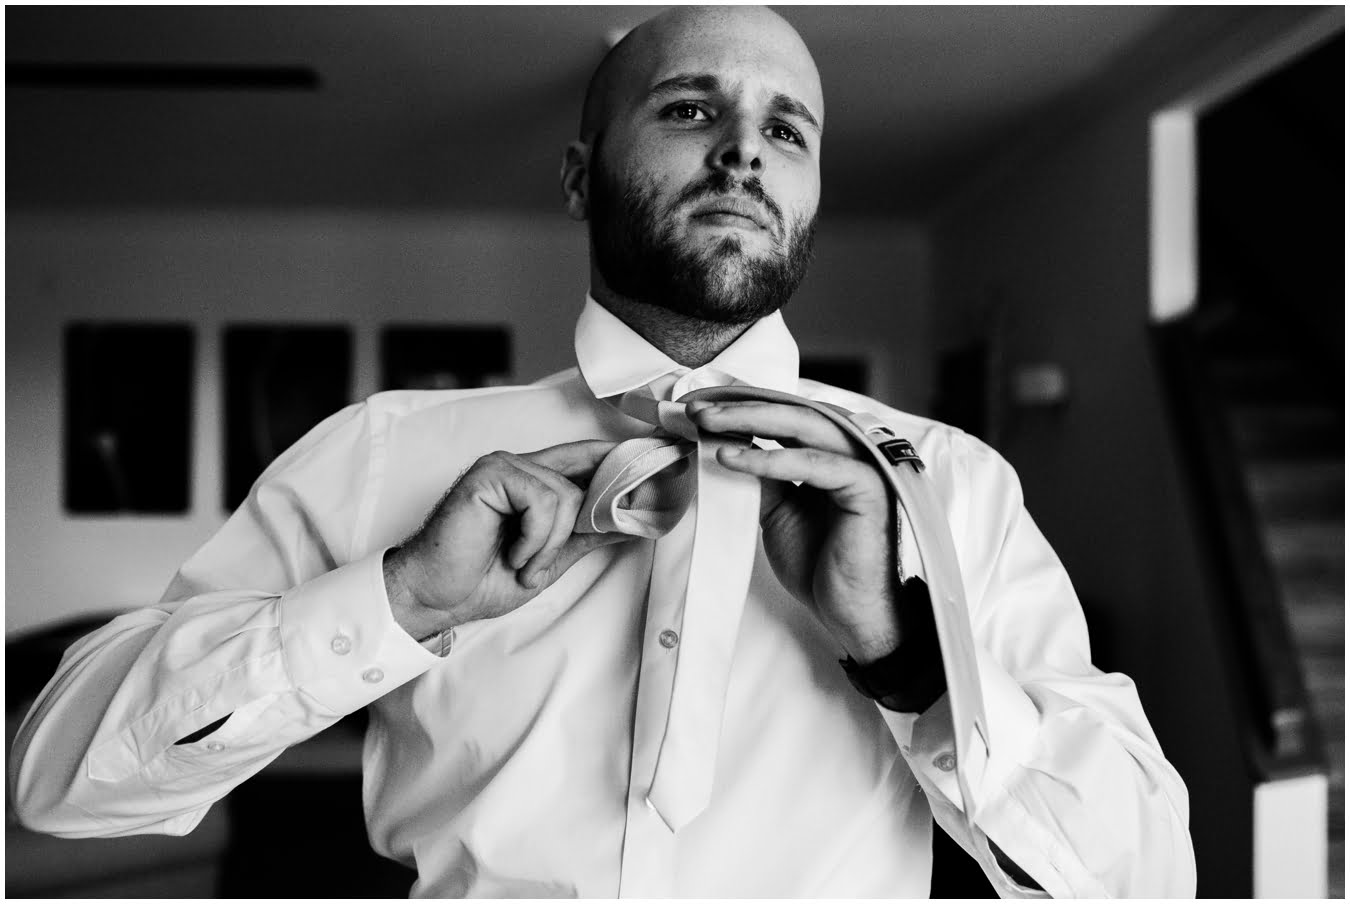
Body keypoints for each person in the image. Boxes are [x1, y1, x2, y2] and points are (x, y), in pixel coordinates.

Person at [10, 6, 1196, 897]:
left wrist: (906, 654)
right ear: (581, 178)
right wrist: (399, 600)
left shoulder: (950, 483)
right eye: (689, 109)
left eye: (786, 129)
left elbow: (1145, 877)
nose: (743, 151)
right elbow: (58, 783)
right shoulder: (384, 453)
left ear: (812, 193)